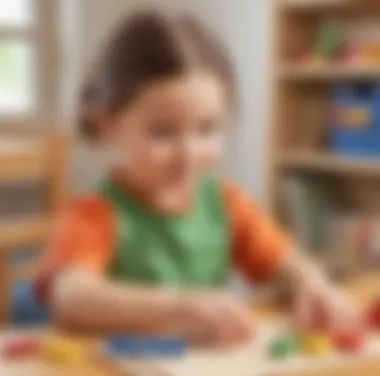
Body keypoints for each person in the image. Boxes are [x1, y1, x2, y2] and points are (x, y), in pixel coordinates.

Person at [35, 10, 360, 346]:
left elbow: (287, 261)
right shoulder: (93, 213)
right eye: (162, 132)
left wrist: (315, 287)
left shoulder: (226, 204)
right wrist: (179, 307)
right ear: (107, 126)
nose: (188, 154)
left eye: (207, 129)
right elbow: (72, 297)